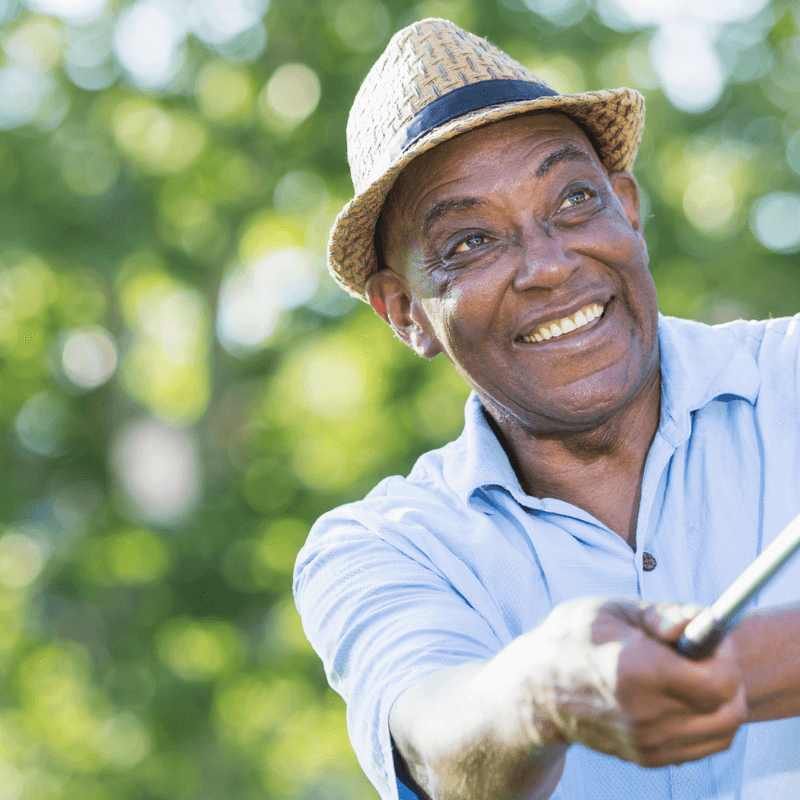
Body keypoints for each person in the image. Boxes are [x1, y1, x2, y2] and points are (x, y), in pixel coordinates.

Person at [293, 17, 800, 800]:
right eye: (470, 242)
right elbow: (435, 742)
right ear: (405, 312)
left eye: (573, 199)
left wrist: (722, 669)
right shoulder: (380, 547)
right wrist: (546, 692)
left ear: (627, 210)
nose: (550, 266)